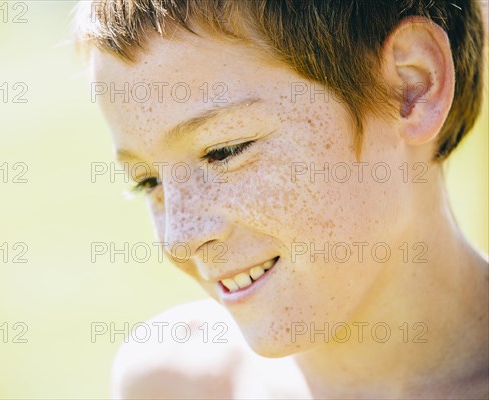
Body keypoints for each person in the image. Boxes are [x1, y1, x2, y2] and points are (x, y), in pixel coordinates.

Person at [74, 0, 488, 398]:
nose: (181, 238)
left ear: (411, 87)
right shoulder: (168, 385)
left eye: (224, 151)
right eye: (148, 181)